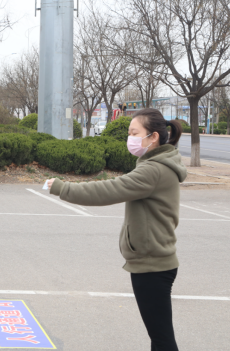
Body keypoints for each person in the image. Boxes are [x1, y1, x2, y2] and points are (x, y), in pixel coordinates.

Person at [47, 109, 187, 351]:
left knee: (162, 339)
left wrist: (62, 187)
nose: (130, 138)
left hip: (153, 264)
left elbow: (108, 190)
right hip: (154, 261)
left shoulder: (153, 170)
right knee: (160, 337)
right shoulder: (157, 164)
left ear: (153, 137)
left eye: (134, 133)